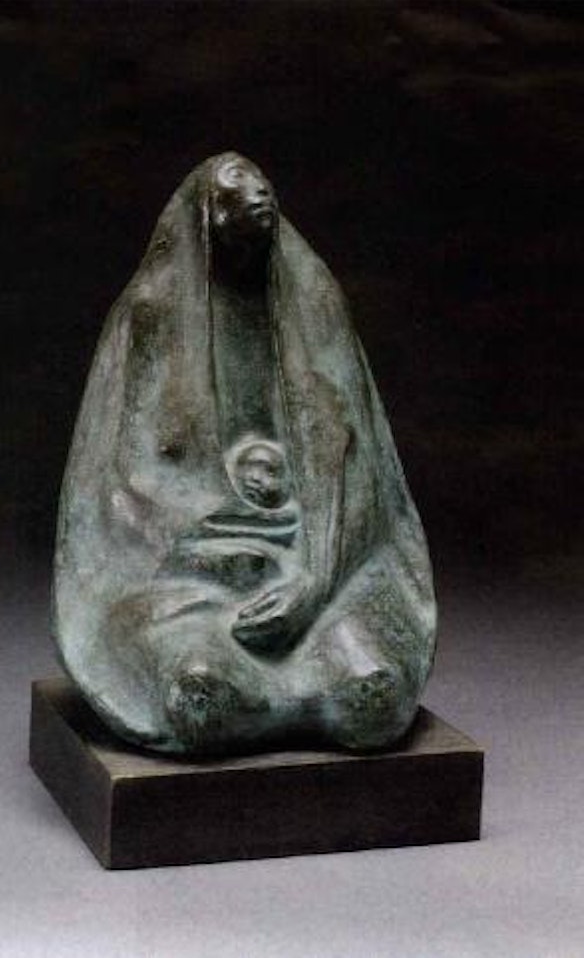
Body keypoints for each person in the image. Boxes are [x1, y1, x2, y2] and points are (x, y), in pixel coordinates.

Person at [53, 153, 436, 754]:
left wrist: (313, 578)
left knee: (375, 699)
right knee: (202, 697)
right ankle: (232, 683)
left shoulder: (315, 303)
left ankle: (304, 676)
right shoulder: (150, 315)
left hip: (319, 565)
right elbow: (118, 486)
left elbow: (358, 464)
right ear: (204, 218)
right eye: (236, 187)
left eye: (262, 186)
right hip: (190, 581)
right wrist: (210, 541)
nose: (257, 195)